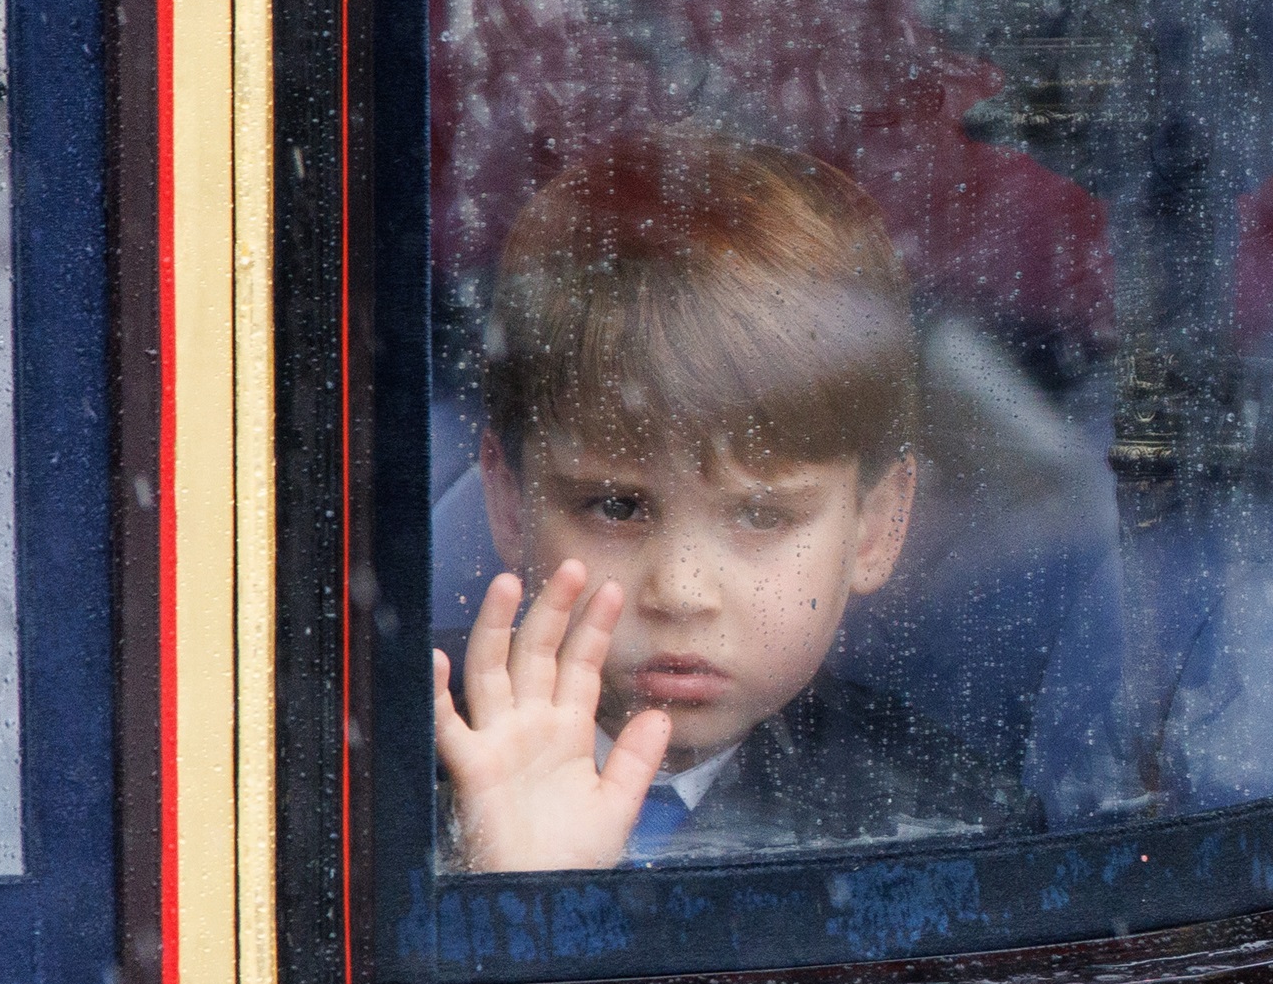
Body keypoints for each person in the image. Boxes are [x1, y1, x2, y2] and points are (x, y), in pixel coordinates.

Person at [433, 128, 1039, 871]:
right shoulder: (380, 783)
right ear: (509, 501)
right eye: (616, 507)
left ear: (876, 526)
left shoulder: (941, 823)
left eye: (761, 514)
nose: (681, 592)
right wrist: (494, 881)